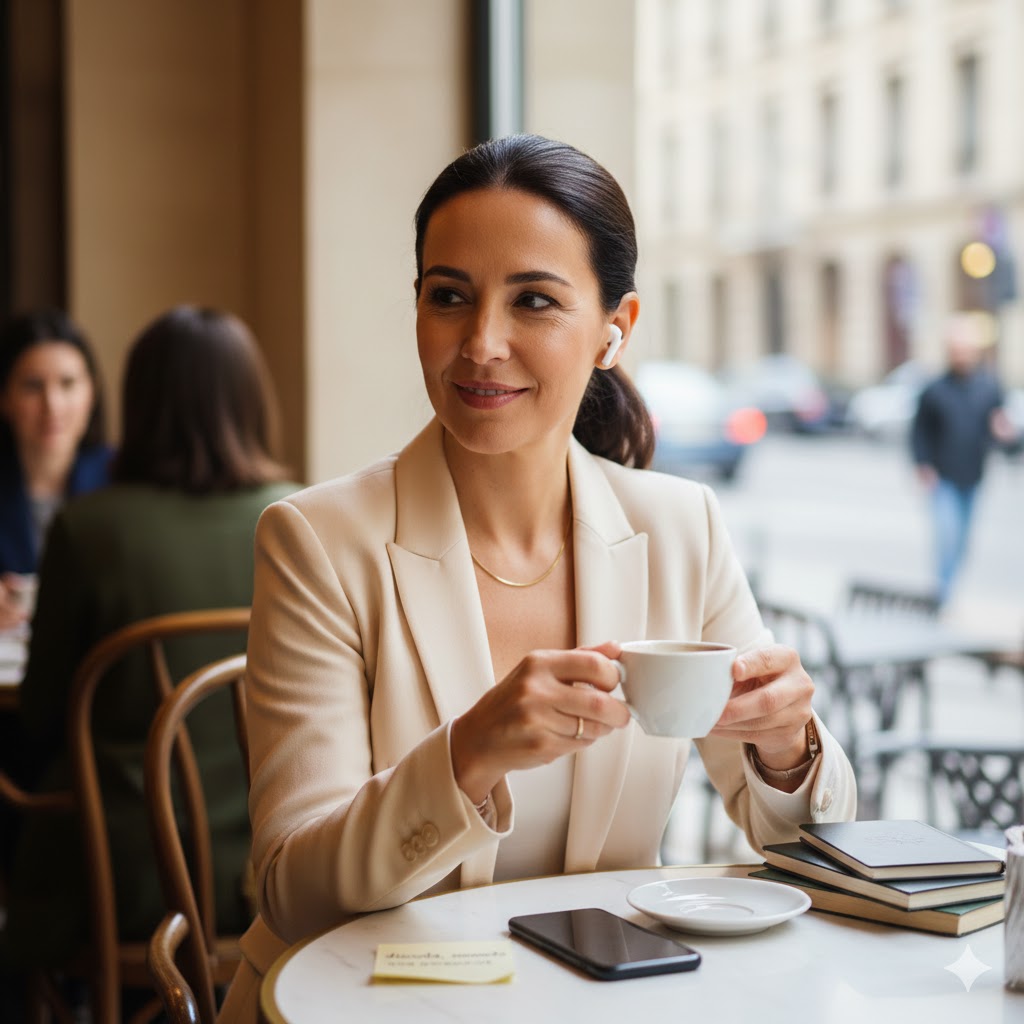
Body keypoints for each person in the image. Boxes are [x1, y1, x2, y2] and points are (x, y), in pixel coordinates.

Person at [220, 135, 856, 1022]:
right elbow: (294, 892)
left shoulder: (681, 528)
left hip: (600, 1003)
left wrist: (786, 751)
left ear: (615, 329)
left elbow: (815, 853)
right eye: (449, 296)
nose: (481, 343)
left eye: (534, 301)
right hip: (361, 1005)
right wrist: (468, 755)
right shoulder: (318, 541)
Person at [3, 306, 298, 987]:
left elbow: (44, 712)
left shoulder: (88, 528)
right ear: (250, 399)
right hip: (272, 860)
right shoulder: (297, 517)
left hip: (126, 874)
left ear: (138, 403)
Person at [0, 309, 110, 630]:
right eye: (33, 386)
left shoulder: (122, 476)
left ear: (91, 392)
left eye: (68, 383)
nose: (52, 405)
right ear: (5, 397)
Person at [911, 312, 1018, 605]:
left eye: (966, 350)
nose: (961, 356)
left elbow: (1004, 435)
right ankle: (943, 593)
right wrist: (922, 465)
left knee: (962, 541)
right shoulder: (934, 390)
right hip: (943, 477)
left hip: (973, 476)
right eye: (956, 350)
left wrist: (1006, 434)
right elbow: (919, 433)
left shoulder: (988, 388)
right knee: (947, 536)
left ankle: (949, 588)